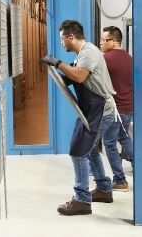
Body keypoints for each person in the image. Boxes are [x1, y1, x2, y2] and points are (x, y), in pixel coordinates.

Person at [40, 20, 120, 215]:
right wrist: (59, 73)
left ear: (70, 37)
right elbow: (79, 78)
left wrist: (58, 63)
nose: (61, 43)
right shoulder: (81, 54)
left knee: (79, 150)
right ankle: (103, 189)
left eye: (62, 39)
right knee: (90, 149)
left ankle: (82, 200)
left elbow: (80, 76)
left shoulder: (89, 52)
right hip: (93, 109)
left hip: (101, 109)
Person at [100, 26, 134, 192]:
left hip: (114, 110)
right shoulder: (129, 58)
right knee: (125, 138)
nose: (101, 43)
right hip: (128, 107)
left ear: (113, 42)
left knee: (110, 144)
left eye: (104, 40)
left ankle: (120, 181)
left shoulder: (106, 59)